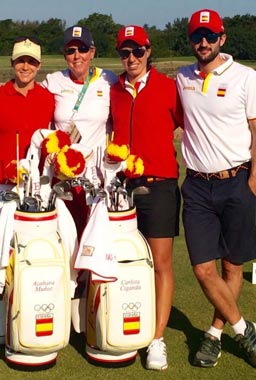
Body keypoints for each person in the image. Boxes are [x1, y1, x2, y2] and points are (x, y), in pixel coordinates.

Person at [176, 9, 256, 369]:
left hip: (236, 182)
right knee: (203, 269)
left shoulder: (246, 77)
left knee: (232, 266)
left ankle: (214, 335)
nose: (203, 43)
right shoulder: (182, 77)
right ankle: (244, 329)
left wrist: (253, 183)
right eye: (197, 37)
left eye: (210, 36)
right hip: (197, 185)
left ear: (222, 38)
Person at [108, 25, 183, 371]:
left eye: (137, 51)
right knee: (121, 262)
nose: (131, 58)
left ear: (149, 51)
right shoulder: (113, 91)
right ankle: (121, 325)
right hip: (121, 188)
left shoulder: (170, 88)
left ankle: (156, 339)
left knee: (160, 264)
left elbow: (191, 126)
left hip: (160, 186)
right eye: (125, 53)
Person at [43, 25, 118, 236]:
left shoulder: (109, 80)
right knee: (64, 240)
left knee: (94, 241)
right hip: (62, 177)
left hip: (95, 178)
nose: (77, 56)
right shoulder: (53, 80)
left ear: (92, 52)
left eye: (82, 49)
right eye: (70, 50)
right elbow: (28, 101)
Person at [0, 36, 54, 235]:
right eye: (21, 61)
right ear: (12, 63)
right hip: (1, 182)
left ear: (39, 66)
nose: (25, 66)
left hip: (35, 184)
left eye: (31, 62)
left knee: (31, 243)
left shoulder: (47, 99)